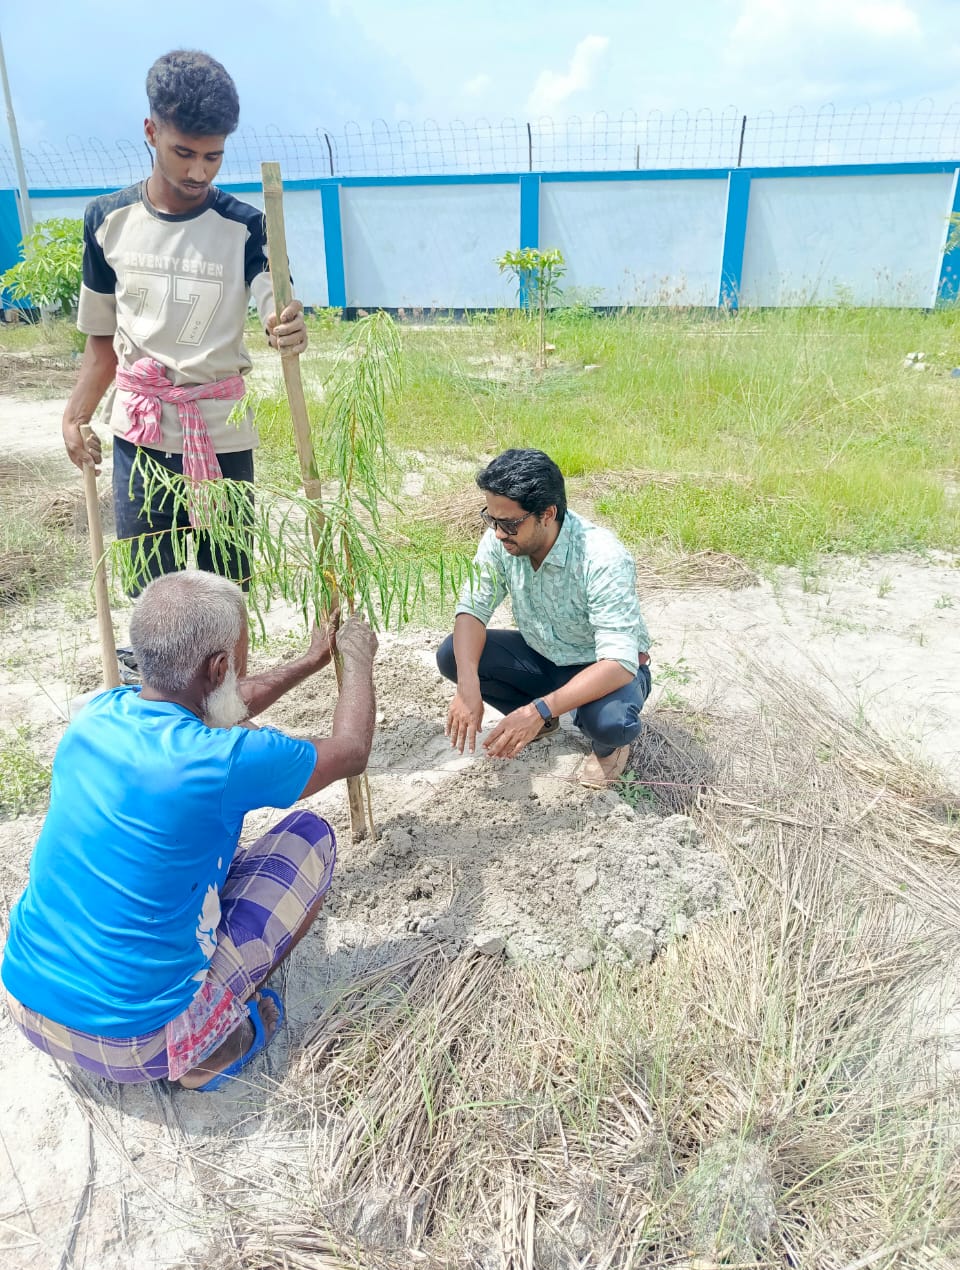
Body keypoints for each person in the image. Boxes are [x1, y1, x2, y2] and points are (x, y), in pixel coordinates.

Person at [1, 570, 376, 1090]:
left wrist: (309, 662)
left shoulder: (96, 714)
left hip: (27, 1003)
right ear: (219, 666)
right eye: (238, 660)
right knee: (308, 838)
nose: (241, 671)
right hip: (135, 1043)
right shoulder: (221, 760)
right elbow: (351, 751)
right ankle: (210, 1047)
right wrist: (357, 658)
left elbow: (220, 703)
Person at [61, 49, 308, 591]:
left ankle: (228, 652)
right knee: (151, 591)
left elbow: (274, 296)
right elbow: (102, 341)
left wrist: (283, 323)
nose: (199, 171)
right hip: (140, 437)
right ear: (151, 132)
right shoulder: (107, 221)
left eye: (213, 157)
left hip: (220, 435)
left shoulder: (246, 226)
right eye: (184, 153)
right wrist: (76, 415)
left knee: (227, 590)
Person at [437, 448, 652, 788]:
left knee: (611, 723)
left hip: (599, 666)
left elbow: (619, 663)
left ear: (547, 514)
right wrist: (467, 688)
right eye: (491, 519)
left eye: (509, 524)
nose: (498, 533)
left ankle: (608, 748)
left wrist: (537, 710)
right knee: (453, 655)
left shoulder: (602, 557)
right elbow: (472, 610)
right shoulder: (501, 541)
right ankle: (544, 719)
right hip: (541, 656)